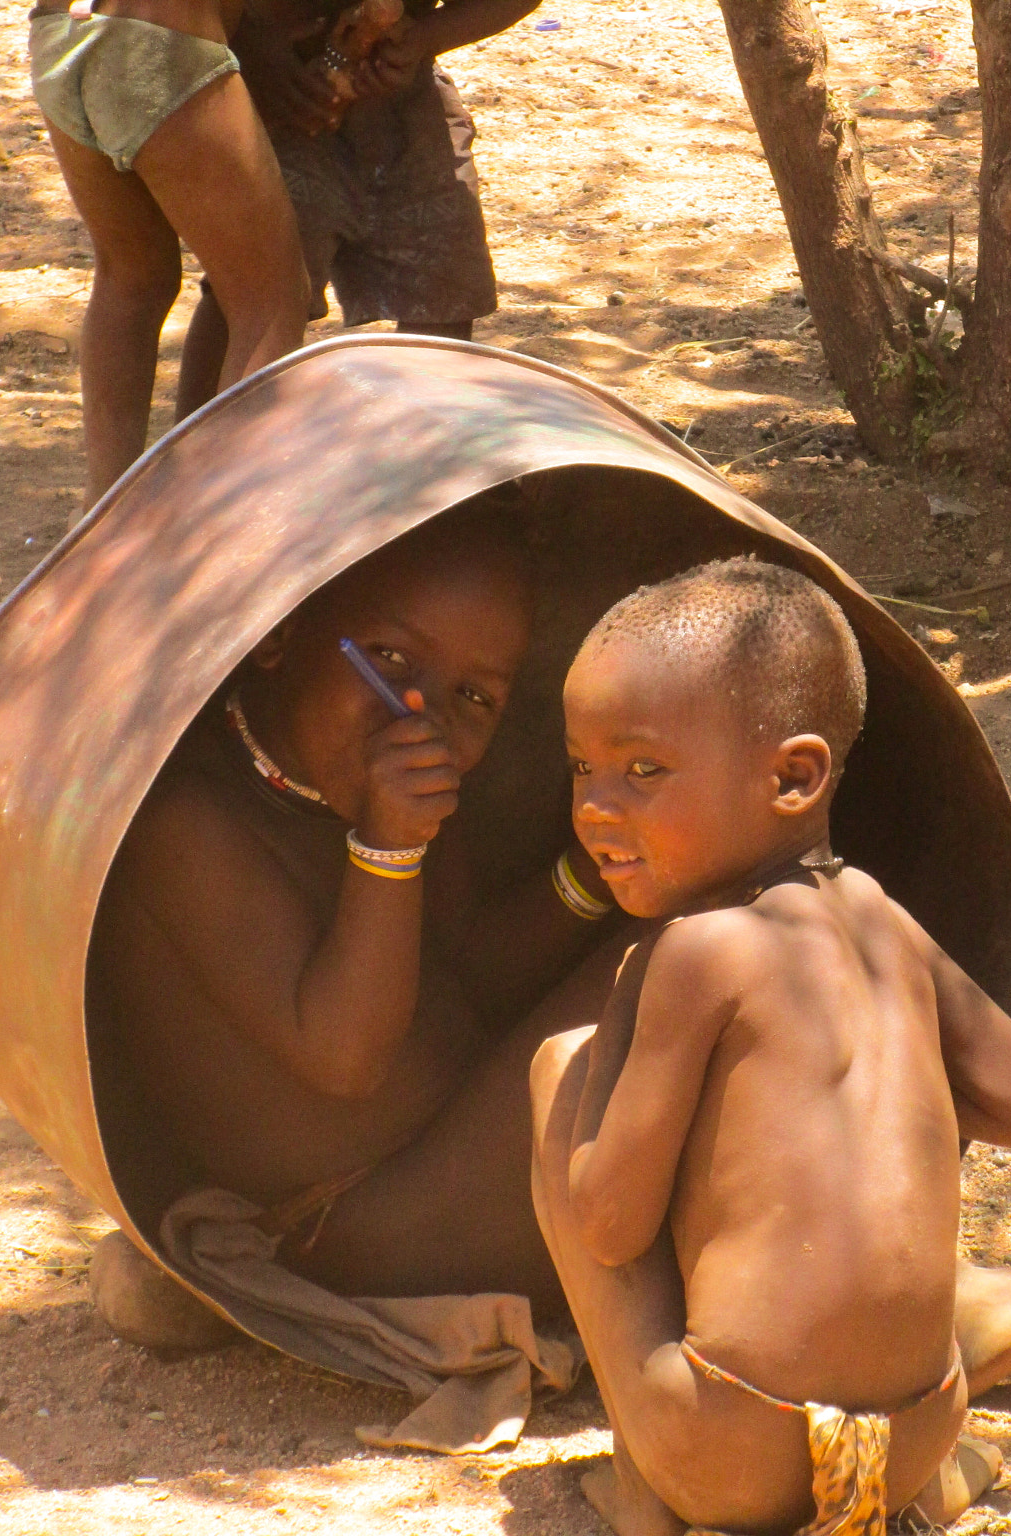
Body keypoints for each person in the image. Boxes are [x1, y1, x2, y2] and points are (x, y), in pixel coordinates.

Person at [530, 559, 1011, 1536]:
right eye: (581, 769)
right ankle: (895, 1474)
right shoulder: (879, 920)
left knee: (555, 1070)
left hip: (729, 1456)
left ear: (793, 777)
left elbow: (608, 1226)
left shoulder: (693, 954)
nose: (595, 808)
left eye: (641, 770)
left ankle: (649, 1501)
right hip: (910, 1439)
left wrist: (615, 1025)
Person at [88, 508, 626, 1320]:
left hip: (457, 1145)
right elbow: (346, 1056)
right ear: (279, 635)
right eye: (389, 657)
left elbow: (468, 978)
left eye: (473, 696)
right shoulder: (188, 827)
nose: (422, 714)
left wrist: (588, 880)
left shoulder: (394, 784)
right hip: (365, 1226)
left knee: (692, 932)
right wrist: (387, 848)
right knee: (691, 963)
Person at [172, 0, 530, 417]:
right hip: (276, 92)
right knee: (257, 288)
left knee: (442, 279)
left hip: (403, 107)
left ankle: (422, 457)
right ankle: (191, 460)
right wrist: (251, 41)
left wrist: (419, 40)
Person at [28, 0, 314, 511]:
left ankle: (103, 521)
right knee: (271, 301)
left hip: (60, 34)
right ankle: (221, 530)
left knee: (131, 279)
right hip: (165, 35)